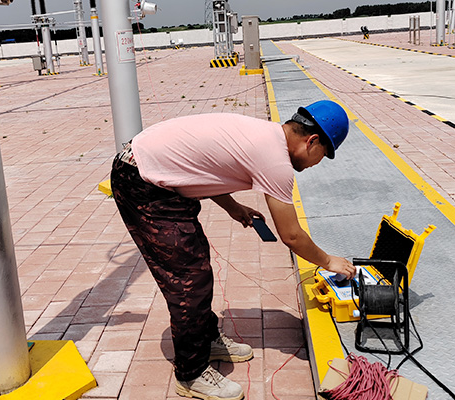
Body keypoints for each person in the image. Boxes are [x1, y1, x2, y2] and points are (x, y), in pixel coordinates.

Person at [110, 100, 356, 400]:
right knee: (188, 279)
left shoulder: (265, 134)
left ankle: (206, 337)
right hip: (143, 182)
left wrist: (233, 206)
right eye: (323, 156)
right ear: (312, 141)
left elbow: (206, 166)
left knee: (196, 265)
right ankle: (191, 374)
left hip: (148, 168)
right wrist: (328, 261)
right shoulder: (276, 160)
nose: (317, 163)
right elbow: (291, 235)